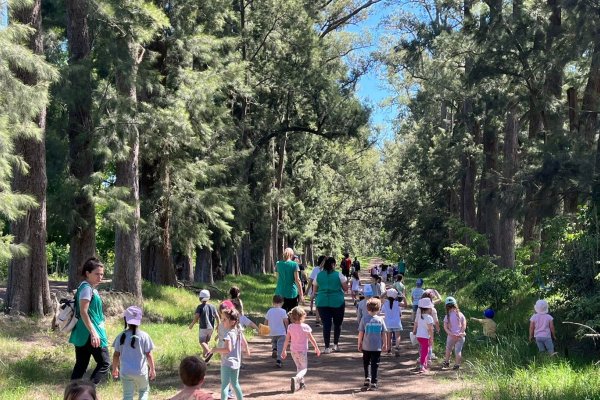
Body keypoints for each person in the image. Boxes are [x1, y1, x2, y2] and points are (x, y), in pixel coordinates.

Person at [69, 257, 111, 384]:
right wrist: (93, 332)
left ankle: (72, 395)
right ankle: (88, 392)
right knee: (104, 363)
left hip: (82, 333)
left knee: (81, 365)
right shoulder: (87, 288)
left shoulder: (87, 287)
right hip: (90, 332)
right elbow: (83, 311)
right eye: (97, 274)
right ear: (87, 273)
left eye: (102, 274)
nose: (100, 277)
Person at [112, 306, 156, 400]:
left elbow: (116, 355)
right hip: (141, 372)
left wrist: (115, 368)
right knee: (144, 391)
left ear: (126, 320)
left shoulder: (120, 336)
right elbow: (149, 354)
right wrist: (152, 369)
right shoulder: (144, 336)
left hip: (126, 372)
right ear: (139, 320)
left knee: (127, 396)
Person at [210, 308, 250, 400]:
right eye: (222, 319)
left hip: (227, 363)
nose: (222, 322)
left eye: (224, 319)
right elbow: (245, 343)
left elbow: (227, 349)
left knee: (225, 385)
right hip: (236, 363)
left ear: (232, 322)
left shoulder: (228, 335)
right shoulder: (239, 332)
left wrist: (215, 350)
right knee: (235, 383)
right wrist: (247, 350)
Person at [281, 306, 321, 393]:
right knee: (304, 369)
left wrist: (284, 350)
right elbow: (312, 339)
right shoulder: (305, 327)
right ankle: (297, 379)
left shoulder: (290, 327)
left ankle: (301, 383)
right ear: (303, 316)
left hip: (293, 351)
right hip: (302, 351)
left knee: (299, 367)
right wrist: (316, 347)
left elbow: (287, 339)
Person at [313, 256, 348, 353]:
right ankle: (335, 345)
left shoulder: (318, 275)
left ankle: (327, 347)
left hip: (322, 302)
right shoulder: (339, 275)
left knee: (326, 324)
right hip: (337, 302)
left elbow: (315, 290)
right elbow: (345, 289)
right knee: (337, 324)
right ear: (333, 265)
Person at [358, 298, 387, 391]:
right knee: (375, 364)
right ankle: (374, 382)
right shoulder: (380, 320)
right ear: (379, 309)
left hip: (366, 346)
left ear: (367, 308)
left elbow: (361, 333)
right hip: (377, 347)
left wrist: (359, 343)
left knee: (366, 363)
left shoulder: (364, 319)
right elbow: (384, 333)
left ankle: (367, 378)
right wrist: (385, 344)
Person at [189, 289, 220, 358]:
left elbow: (197, 316)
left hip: (203, 327)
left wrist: (192, 324)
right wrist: (218, 325)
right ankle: (205, 358)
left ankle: (209, 352)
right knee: (206, 342)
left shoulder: (199, 307)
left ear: (200, 298)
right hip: (211, 328)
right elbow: (217, 316)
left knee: (202, 342)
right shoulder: (213, 306)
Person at [274, 248, 304, 312]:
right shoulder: (294, 264)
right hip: (292, 293)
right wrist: (301, 294)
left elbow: (277, 278)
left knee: (281, 314)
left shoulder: (278, 263)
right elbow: (297, 280)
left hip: (280, 292)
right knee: (292, 313)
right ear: (292, 255)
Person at [442, 296, 467, 370]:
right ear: (455, 305)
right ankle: (457, 365)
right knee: (458, 351)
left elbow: (445, 327)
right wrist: (461, 332)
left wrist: (450, 333)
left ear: (446, 306)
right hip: (460, 336)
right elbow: (464, 325)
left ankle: (446, 362)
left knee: (448, 349)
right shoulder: (461, 314)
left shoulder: (447, 316)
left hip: (451, 336)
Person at [265, 294, 288, 368]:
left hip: (272, 331)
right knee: (280, 345)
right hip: (281, 332)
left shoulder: (269, 311)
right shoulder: (283, 311)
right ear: (282, 302)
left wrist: (266, 328)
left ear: (273, 302)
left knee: (274, 341)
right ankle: (278, 360)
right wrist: (287, 329)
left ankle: (274, 349)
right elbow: (286, 321)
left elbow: (266, 321)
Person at [413, 297, 435, 373]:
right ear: (428, 308)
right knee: (424, 352)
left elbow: (416, 324)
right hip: (425, 337)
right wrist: (432, 338)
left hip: (419, 336)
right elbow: (430, 329)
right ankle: (422, 366)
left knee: (424, 350)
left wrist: (414, 331)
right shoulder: (429, 318)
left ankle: (424, 364)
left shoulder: (419, 316)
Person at [382, 288, 406, 356]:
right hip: (396, 322)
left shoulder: (385, 302)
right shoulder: (397, 303)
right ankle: (397, 347)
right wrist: (404, 297)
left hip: (388, 323)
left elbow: (380, 297)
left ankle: (389, 350)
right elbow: (405, 305)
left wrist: (386, 292)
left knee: (389, 336)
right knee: (397, 336)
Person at [308, 255, 325, 324]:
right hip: (322, 289)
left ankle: (317, 319)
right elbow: (311, 279)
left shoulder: (316, 269)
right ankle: (319, 318)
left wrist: (307, 289)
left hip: (317, 289)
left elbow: (311, 280)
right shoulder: (326, 270)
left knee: (318, 304)